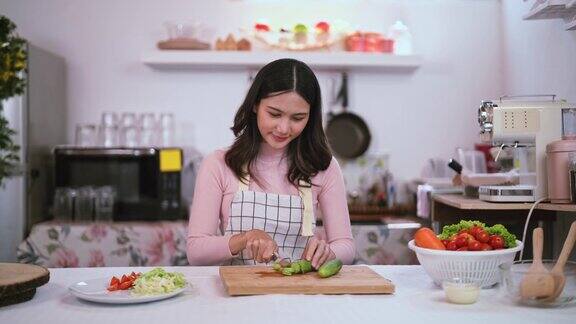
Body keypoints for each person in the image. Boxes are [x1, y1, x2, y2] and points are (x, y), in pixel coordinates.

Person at [186, 58, 355, 268]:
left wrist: (329, 252)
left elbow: (346, 246)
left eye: (298, 118)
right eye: (274, 114)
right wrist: (245, 239)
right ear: (256, 104)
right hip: (237, 296)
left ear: (310, 117)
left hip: (301, 294)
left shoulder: (324, 167)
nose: (284, 128)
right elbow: (195, 252)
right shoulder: (219, 164)